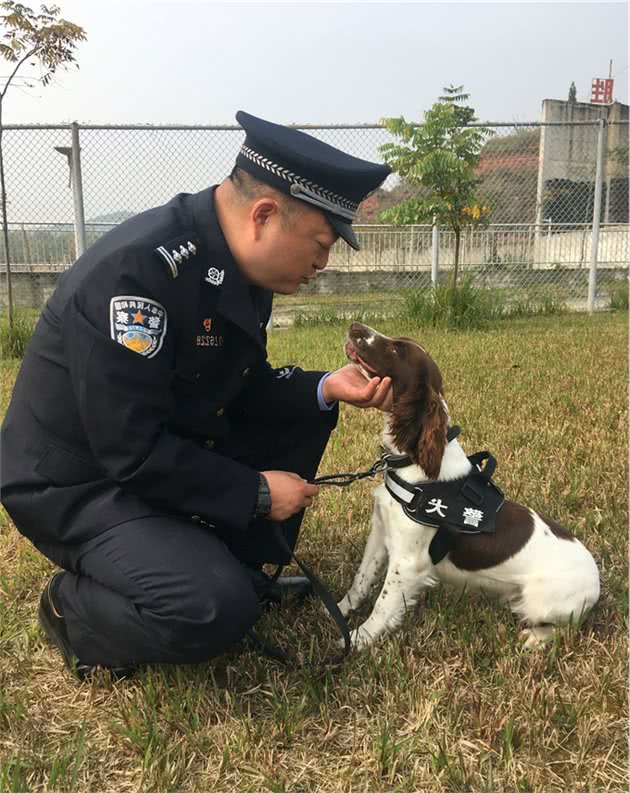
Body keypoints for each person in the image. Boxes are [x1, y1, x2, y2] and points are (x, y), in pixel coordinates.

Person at [0, 111, 392, 680]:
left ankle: (229, 564)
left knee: (305, 409)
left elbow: (236, 386)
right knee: (211, 608)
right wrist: (255, 491)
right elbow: (129, 450)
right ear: (263, 216)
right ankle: (72, 606)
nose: (323, 263)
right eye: (320, 242)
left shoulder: (239, 269)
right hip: (79, 484)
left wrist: (324, 386)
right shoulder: (136, 277)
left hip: (147, 450)